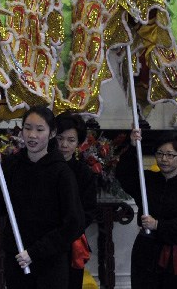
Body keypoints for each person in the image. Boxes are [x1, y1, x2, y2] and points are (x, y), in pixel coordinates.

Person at [0, 105, 84, 288]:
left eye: (39, 129)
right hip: (17, 260)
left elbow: (73, 224)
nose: (32, 135)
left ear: (52, 134)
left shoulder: (61, 172)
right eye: (27, 128)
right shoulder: (13, 165)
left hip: (50, 264)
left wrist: (35, 252)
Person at [117, 130, 177, 289]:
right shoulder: (146, 180)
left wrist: (158, 225)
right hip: (146, 250)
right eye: (160, 153)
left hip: (176, 254)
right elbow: (123, 174)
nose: (164, 159)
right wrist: (133, 146)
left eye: (170, 155)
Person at [54, 113, 98, 289]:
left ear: (79, 143)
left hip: (72, 241)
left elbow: (89, 210)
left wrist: (69, 229)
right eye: (60, 138)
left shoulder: (84, 173)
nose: (64, 145)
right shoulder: (43, 167)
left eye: (71, 140)